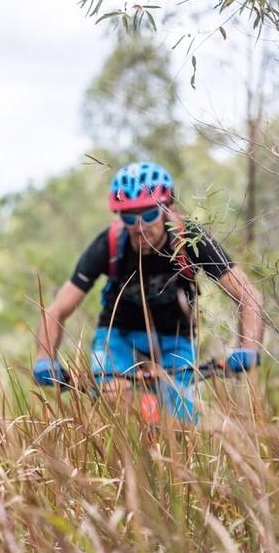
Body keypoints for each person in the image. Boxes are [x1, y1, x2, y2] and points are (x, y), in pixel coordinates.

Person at [31, 161, 264, 423]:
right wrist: (44, 357)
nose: (140, 226)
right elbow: (57, 309)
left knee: (182, 421)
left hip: (174, 338)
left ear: (167, 208)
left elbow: (248, 295)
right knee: (115, 403)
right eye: (130, 217)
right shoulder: (109, 244)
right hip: (118, 336)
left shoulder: (190, 240)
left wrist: (249, 347)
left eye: (149, 214)